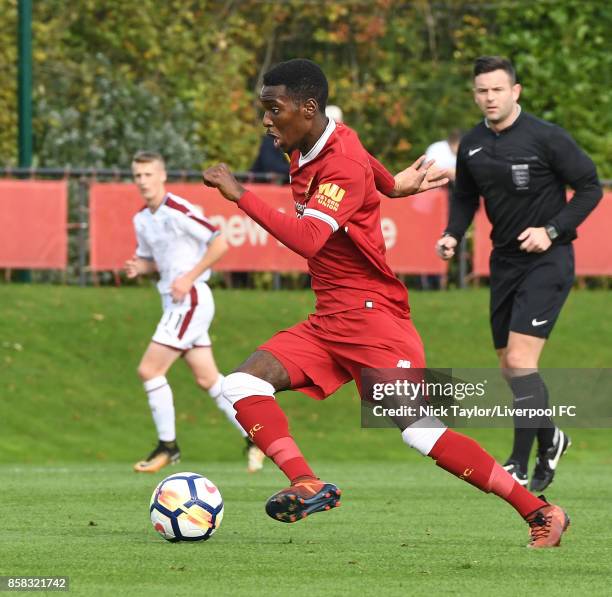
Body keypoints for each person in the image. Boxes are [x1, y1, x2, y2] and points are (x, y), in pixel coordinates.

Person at [203, 58, 569, 548]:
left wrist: (240, 195)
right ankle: (305, 481)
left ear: (308, 109)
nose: (265, 120)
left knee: (420, 431)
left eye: (274, 109)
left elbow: (312, 237)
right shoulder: (321, 141)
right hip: (332, 319)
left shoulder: (339, 162)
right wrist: (396, 186)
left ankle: (541, 511)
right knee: (240, 383)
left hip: (373, 320)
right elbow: (372, 169)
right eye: (263, 109)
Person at [436, 56, 602, 490]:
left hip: (549, 261)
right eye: (481, 91)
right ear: (475, 95)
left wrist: (552, 230)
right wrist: (453, 234)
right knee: (510, 369)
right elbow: (464, 197)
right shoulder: (472, 143)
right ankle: (551, 437)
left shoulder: (547, 138)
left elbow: (589, 185)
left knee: (519, 362)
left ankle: (517, 462)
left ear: (516, 91)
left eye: (496, 89)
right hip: (504, 263)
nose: (489, 98)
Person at [126, 150, 266, 473]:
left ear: (162, 176)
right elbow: (154, 262)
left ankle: (168, 447)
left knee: (149, 370)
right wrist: (140, 267)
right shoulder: (142, 219)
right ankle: (256, 436)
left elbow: (219, 242)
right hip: (174, 302)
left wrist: (188, 277)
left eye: (149, 174)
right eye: (138, 176)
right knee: (209, 380)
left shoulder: (178, 210)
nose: (143, 181)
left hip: (191, 300)